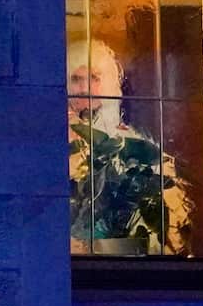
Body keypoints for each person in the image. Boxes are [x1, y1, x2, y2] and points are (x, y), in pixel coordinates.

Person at [67, 39, 191, 256]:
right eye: (76, 79)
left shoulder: (135, 147)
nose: (84, 88)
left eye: (94, 78)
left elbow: (159, 240)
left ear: (109, 84)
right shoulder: (49, 146)